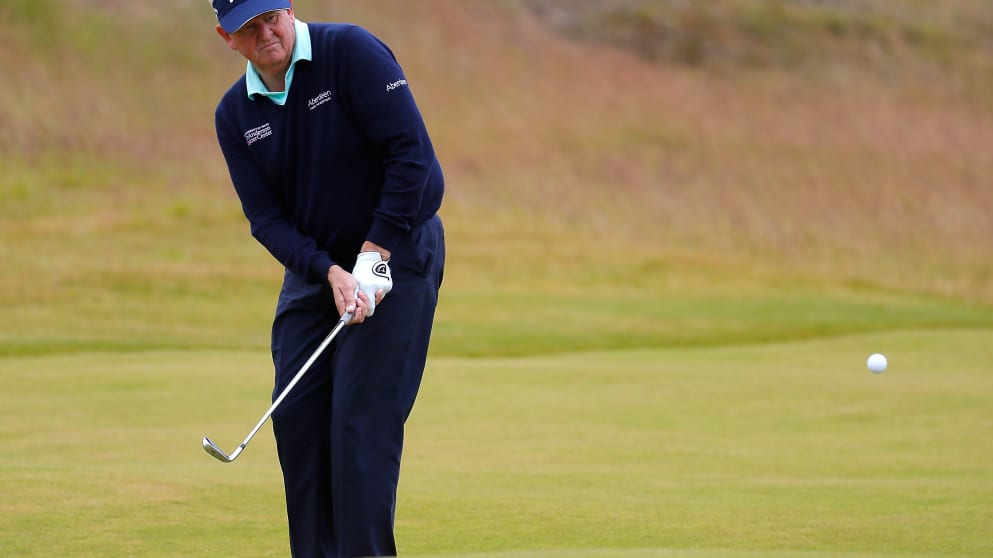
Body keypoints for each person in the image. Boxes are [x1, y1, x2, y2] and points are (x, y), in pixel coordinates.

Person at [209, 1, 445, 556]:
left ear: (289, 10)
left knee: (360, 423)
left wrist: (375, 249)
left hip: (398, 247)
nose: (265, 32)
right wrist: (328, 270)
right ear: (228, 38)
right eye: (248, 26)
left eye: (272, 16)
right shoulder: (235, 114)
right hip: (318, 268)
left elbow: (411, 153)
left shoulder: (350, 52)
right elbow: (265, 219)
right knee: (298, 420)